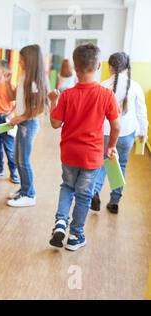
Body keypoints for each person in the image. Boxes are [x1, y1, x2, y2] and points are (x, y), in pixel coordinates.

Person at [48, 44, 121, 251]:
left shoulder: (67, 95)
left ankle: (60, 222)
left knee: (67, 187)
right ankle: (75, 236)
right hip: (91, 156)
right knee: (83, 195)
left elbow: (55, 124)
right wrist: (112, 147)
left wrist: (52, 101)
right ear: (99, 65)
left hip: (69, 154)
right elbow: (116, 126)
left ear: (75, 68)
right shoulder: (106, 95)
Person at [92, 52, 149, 214]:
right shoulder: (135, 86)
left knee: (103, 162)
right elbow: (141, 113)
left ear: (110, 67)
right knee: (120, 165)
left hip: (105, 133)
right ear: (127, 68)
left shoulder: (102, 86)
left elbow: (95, 113)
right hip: (127, 134)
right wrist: (143, 133)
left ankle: (95, 190)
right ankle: (115, 201)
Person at [5, 45, 49, 207]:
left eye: (22, 59)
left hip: (28, 124)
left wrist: (21, 117)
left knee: (24, 160)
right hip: (22, 122)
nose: (20, 62)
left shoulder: (35, 81)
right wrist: (7, 81)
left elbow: (39, 108)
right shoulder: (24, 76)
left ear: (29, 60)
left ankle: (30, 194)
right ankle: (24, 190)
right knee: (18, 158)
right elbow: (13, 97)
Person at [0, 60, 20, 184]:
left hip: (7, 121)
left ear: (3, 72)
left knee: (9, 148)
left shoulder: (10, 86)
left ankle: (13, 172)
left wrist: (11, 112)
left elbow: (18, 102)